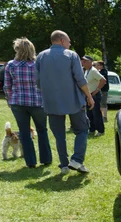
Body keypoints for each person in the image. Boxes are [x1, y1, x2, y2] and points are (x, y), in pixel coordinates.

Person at [35, 30, 94, 174]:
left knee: (59, 134)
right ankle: (77, 160)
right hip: (74, 100)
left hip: (51, 102)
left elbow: (37, 82)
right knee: (82, 129)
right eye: (68, 41)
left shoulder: (41, 56)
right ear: (62, 40)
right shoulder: (71, 55)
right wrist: (89, 96)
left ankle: (64, 165)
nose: (70, 44)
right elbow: (80, 79)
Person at [3, 37, 52, 168]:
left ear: (17, 50)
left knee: (24, 132)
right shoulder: (39, 65)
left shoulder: (11, 65)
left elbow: (7, 86)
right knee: (42, 130)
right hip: (38, 102)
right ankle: (46, 159)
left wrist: (10, 100)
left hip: (18, 103)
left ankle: (30, 162)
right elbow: (46, 84)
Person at [81, 55, 106, 137]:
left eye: (84, 61)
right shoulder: (87, 71)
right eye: (82, 61)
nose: (83, 63)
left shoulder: (93, 71)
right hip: (89, 95)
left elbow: (103, 80)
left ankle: (100, 130)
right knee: (89, 114)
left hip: (94, 95)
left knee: (96, 113)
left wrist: (96, 91)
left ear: (89, 62)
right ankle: (92, 129)